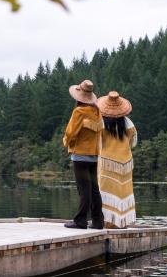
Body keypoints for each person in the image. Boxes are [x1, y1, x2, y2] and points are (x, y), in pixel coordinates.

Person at [63, 80, 104, 229]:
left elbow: (70, 132)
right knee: (94, 189)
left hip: (80, 154)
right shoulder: (97, 110)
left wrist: (66, 142)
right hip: (94, 155)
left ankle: (80, 221)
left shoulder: (79, 111)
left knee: (83, 189)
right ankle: (98, 221)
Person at [96, 91, 137, 228]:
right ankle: (122, 222)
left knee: (105, 192)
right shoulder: (127, 123)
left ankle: (107, 222)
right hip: (125, 162)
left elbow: (97, 141)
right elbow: (133, 142)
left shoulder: (101, 122)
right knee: (123, 191)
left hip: (107, 162)